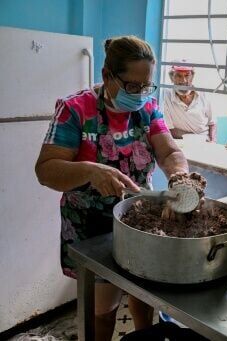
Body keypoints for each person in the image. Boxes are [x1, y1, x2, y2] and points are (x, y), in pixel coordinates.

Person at [35, 36, 189, 341]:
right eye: (132, 86)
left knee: (143, 295)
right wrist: (90, 171)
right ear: (107, 75)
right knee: (102, 310)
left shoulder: (148, 108)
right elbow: (46, 170)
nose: (140, 94)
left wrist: (180, 178)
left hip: (138, 221)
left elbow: (170, 152)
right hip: (92, 226)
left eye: (146, 86)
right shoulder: (75, 109)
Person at [162, 63, 216, 142]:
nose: (183, 80)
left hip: (205, 142)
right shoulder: (165, 96)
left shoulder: (203, 94)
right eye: (178, 76)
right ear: (172, 78)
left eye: (187, 75)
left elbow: (212, 123)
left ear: (192, 77)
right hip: (181, 142)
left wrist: (212, 141)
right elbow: (169, 130)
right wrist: (195, 139)